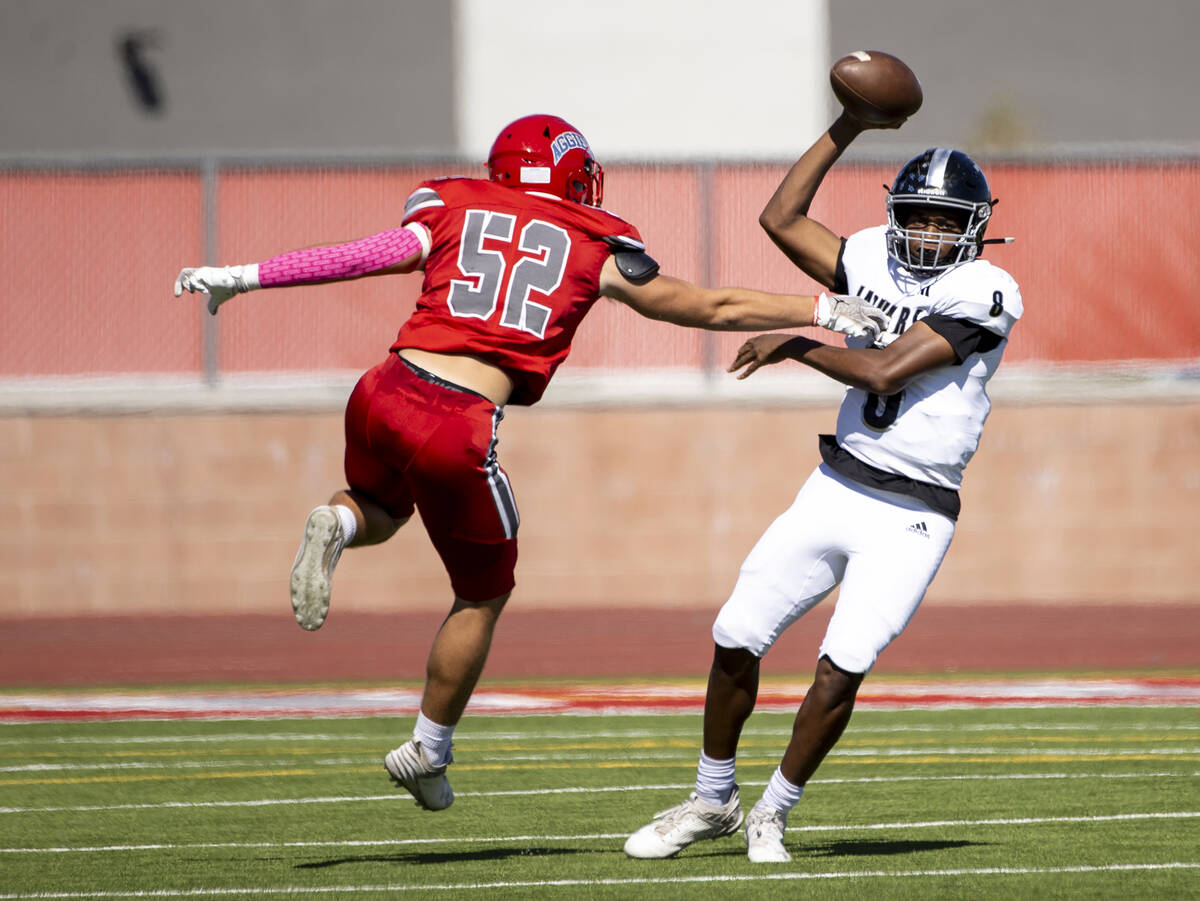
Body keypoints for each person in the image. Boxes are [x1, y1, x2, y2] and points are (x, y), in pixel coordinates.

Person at [173, 113, 885, 812]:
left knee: (382, 507)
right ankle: (428, 746)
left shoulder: (453, 207)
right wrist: (821, 308)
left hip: (381, 391)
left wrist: (243, 274)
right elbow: (710, 305)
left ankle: (338, 520)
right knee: (483, 591)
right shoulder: (591, 240)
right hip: (456, 419)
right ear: (577, 176)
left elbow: (363, 255)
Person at [624, 111, 1021, 862]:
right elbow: (780, 217)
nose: (929, 235)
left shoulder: (986, 290)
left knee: (841, 666)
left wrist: (798, 343)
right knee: (735, 634)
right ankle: (712, 799)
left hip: (913, 512)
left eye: (946, 222)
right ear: (894, 218)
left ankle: (773, 811)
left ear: (974, 229)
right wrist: (848, 125)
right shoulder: (874, 257)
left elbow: (883, 368)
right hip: (835, 485)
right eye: (917, 218)